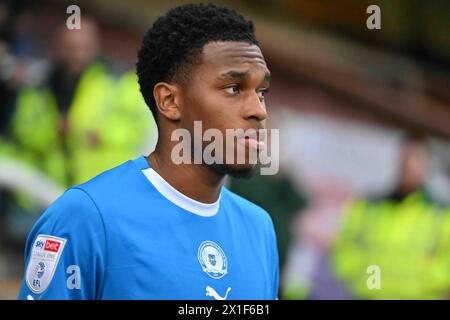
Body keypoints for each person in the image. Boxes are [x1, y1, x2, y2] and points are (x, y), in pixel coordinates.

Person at [18, 3, 279, 300]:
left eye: (262, 93)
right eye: (234, 88)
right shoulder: (84, 217)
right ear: (169, 101)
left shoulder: (259, 228)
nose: (258, 111)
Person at [332, 134, 450, 299]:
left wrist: (424, 282)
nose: (408, 165)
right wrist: (362, 277)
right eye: (404, 158)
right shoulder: (370, 204)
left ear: (427, 165)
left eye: (415, 158)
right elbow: (343, 246)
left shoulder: (441, 212)